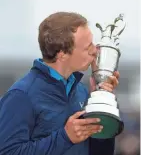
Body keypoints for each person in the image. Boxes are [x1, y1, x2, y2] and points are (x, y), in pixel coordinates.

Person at [0, 12, 119, 155]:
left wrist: (102, 102)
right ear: (62, 54)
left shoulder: (82, 92)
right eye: (88, 47)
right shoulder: (21, 95)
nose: (95, 51)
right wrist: (65, 137)